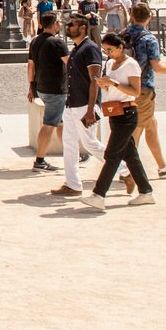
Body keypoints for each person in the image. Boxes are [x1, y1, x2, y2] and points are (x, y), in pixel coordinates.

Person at [80, 34, 156, 210]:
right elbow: (113, 87)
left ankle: (99, 194)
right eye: (105, 50)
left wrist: (112, 83)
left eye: (110, 50)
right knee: (130, 155)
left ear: (120, 48)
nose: (107, 53)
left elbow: (136, 91)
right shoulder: (109, 63)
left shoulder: (131, 65)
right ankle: (146, 191)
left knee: (112, 155)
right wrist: (105, 84)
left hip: (127, 112)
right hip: (114, 111)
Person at [51, 14, 104, 198]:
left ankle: (125, 170)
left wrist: (91, 109)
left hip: (84, 104)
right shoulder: (76, 49)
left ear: (82, 27)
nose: (67, 27)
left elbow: (95, 80)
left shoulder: (90, 49)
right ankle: (73, 183)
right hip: (72, 103)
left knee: (90, 143)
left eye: (71, 24)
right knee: (69, 143)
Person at [124, 2, 166, 179]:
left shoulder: (123, 35)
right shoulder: (149, 39)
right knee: (137, 130)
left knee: (150, 126)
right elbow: (156, 66)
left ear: (131, 16)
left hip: (124, 87)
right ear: (150, 17)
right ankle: (128, 171)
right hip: (142, 88)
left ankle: (162, 166)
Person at [26, 12, 67, 173]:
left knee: (60, 122)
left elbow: (31, 65)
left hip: (41, 87)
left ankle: (71, 152)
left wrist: (31, 86)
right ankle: (40, 160)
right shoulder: (58, 43)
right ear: (55, 24)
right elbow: (70, 64)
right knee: (49, 124)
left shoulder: (35, 41)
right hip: (56, 89)